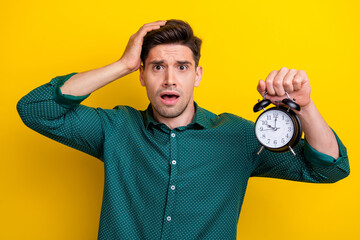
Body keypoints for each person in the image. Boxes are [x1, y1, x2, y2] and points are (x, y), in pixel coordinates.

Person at [17, 19, 350, 239]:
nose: (170, 79)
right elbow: (36, 109)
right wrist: (122, 64)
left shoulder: (240, 138)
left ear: (197, 75)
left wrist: (304, 107)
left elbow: (329, 169)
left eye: (182, 67)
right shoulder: (115, 128)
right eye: (157, 67)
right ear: (142, 75)